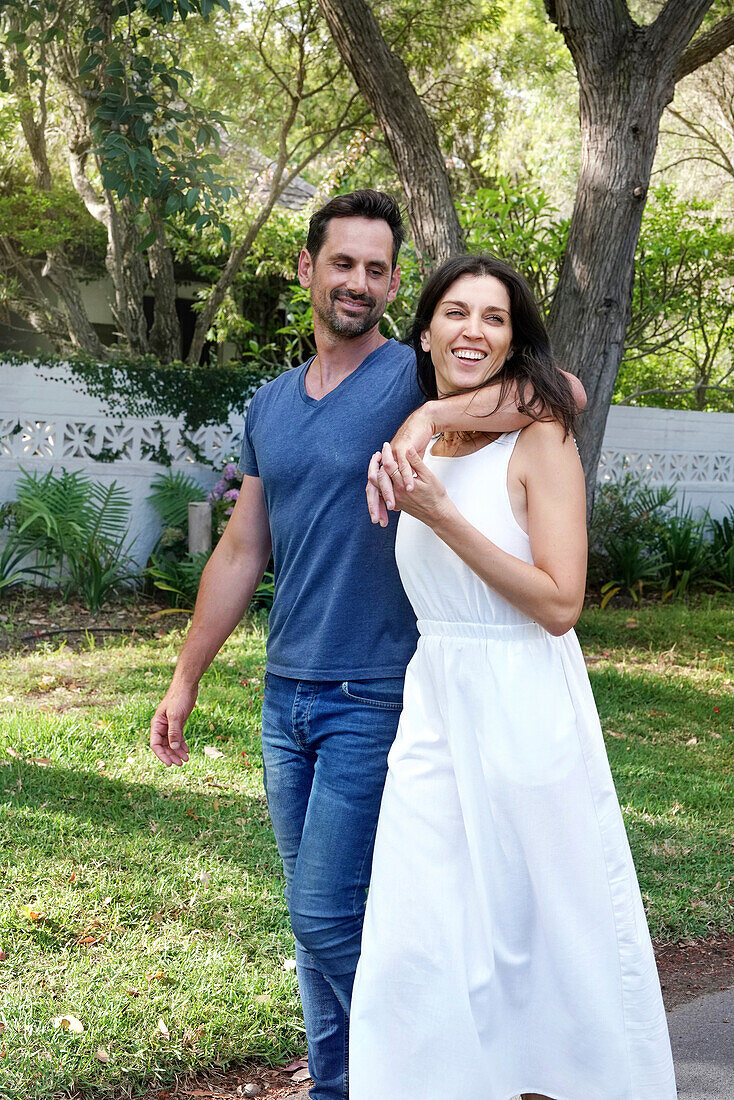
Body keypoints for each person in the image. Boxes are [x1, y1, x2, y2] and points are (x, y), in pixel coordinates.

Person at [149, 193, 586, 1100]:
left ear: (395, 286)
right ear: (305, 271)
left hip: (377, 691)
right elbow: (242, 547)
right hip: (286, 697)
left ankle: (432, 1076)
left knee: (326, 914)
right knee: (316, 924)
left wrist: (425, 420)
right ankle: (339, 1087)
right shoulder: (269, 405)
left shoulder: (412, 375)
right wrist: (186, 677)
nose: (358, 282)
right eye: (341, 263)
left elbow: (564, 391)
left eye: (378, 269)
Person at [349, 254, 677, 1100]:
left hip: (526, 707)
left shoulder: (539, 438)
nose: (473, 331)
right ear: (424, 330)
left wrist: (443, 515)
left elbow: (561, 603)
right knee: (419, 937)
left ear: (513, 338)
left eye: (495, 318)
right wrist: (425, 425)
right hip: (436, 712)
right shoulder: (425, 439)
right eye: (455, 313)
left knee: (549, 949)